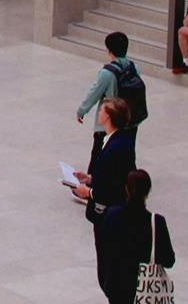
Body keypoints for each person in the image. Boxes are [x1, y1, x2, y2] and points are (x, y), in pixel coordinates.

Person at [95, 170, 176, 304]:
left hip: (117, 287)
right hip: (146, 290)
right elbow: (169, 260)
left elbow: (103, 248)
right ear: (148, 192)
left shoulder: (112, 215)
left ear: (126, 188)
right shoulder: (156, 222)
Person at [74, 97, 138, 228]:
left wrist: (88, 192)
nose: (99, 113)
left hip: (109, 212)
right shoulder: (121, 139)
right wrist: (90, 178)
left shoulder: (115, 147)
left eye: (102, 110)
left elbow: (114, 185)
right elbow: (111, 174)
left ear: (108, 117)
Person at [78, 32, 146, 129]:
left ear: (109, 51)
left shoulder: (107, 73)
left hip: (109, 125)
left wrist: (81, 111)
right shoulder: (134, 68)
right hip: (130, 124)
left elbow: (94, 94)